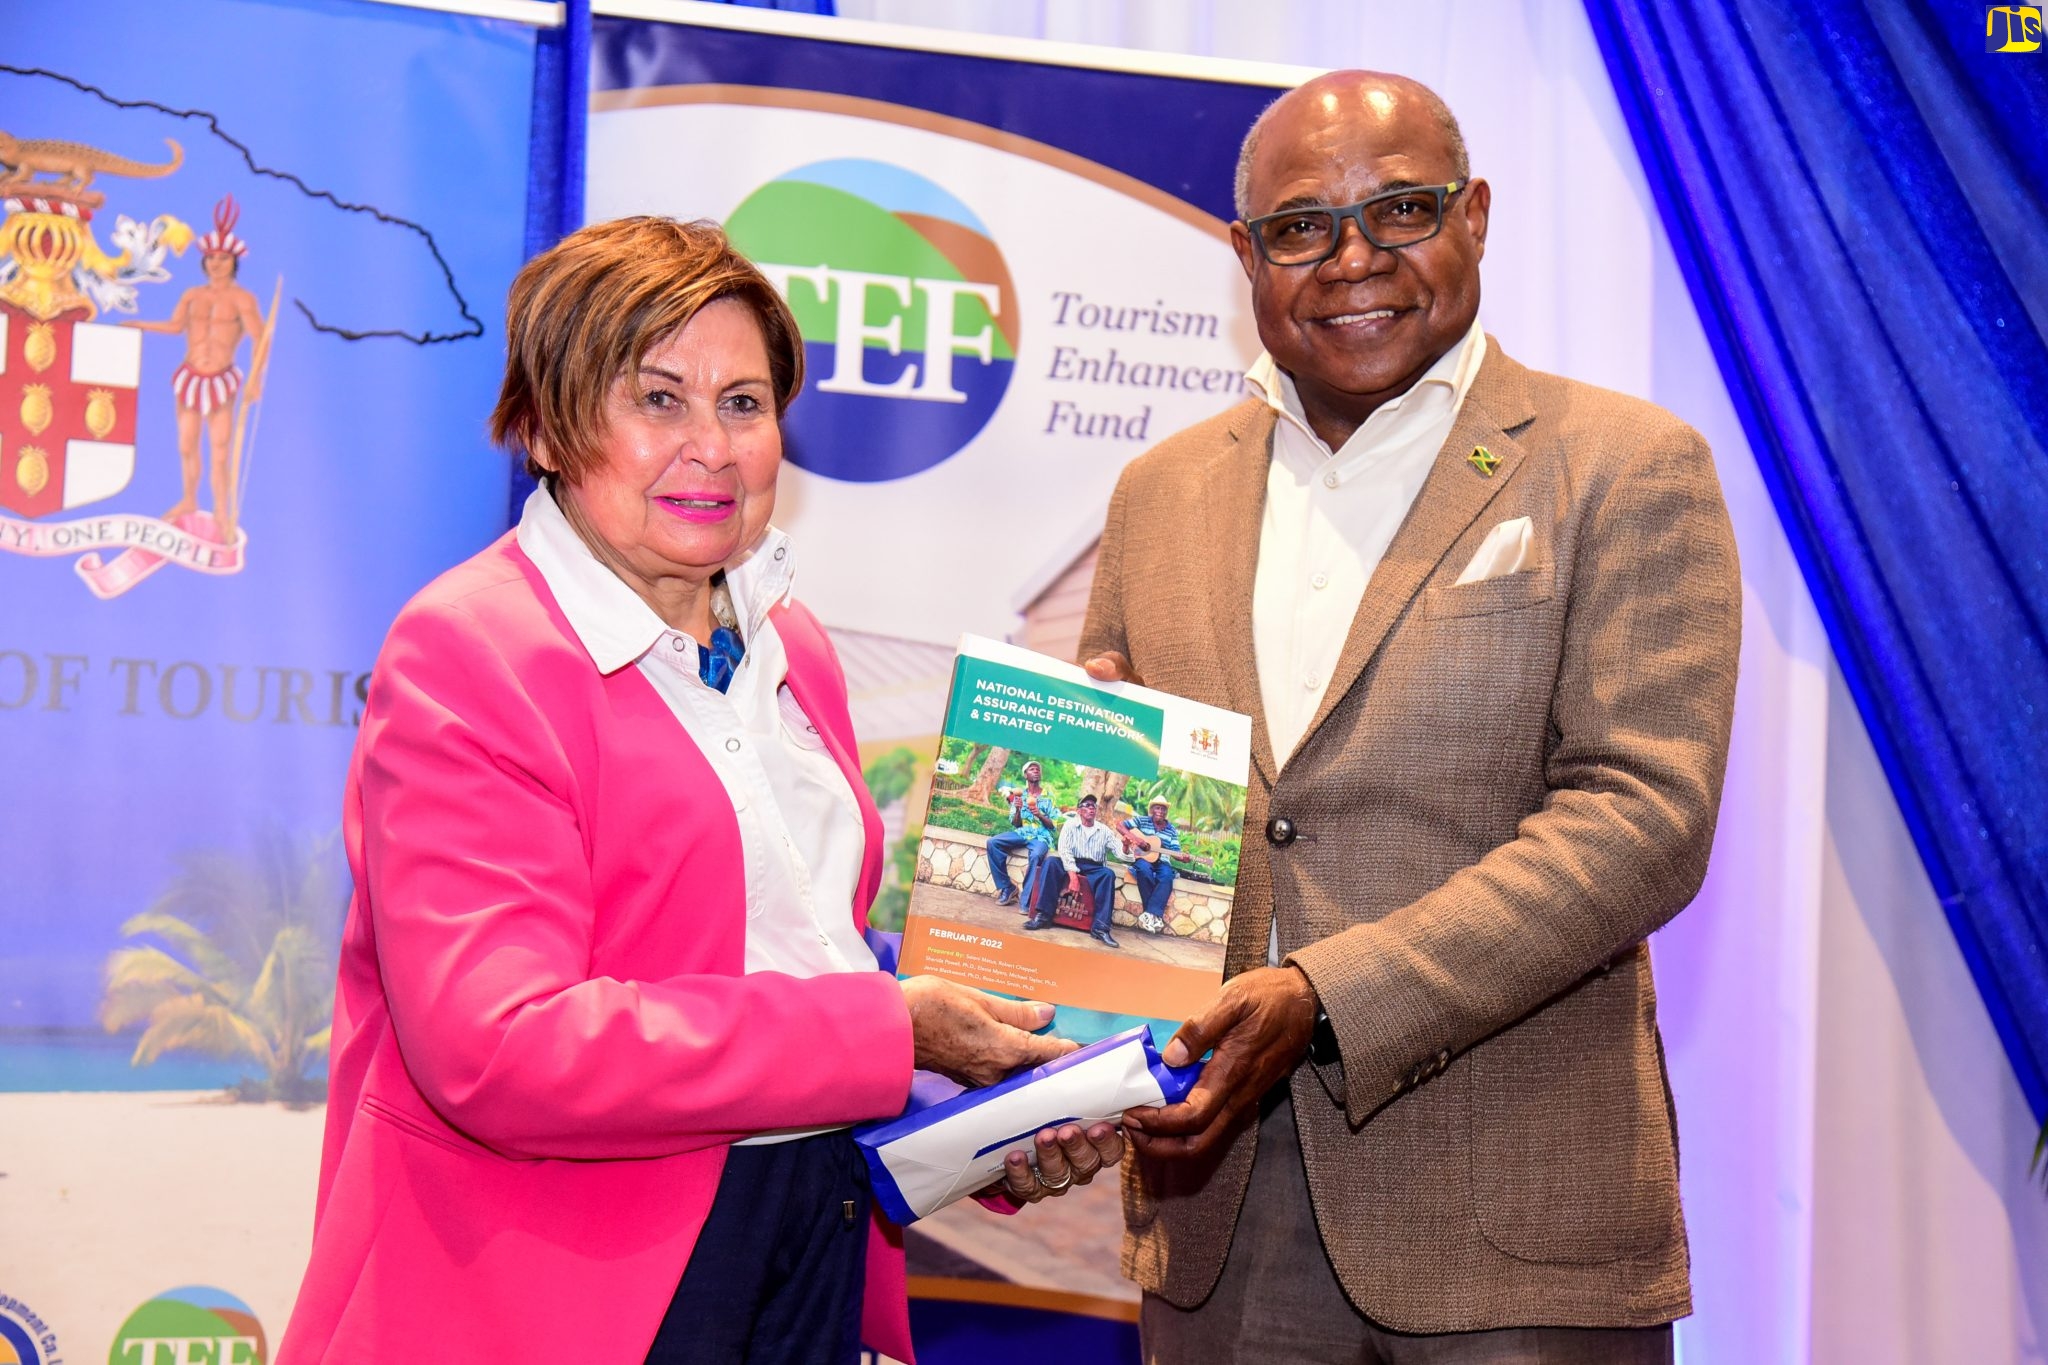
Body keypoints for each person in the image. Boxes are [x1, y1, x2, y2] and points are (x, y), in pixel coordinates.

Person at [278, 218, 1122, 1365]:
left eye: (743, 403)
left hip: (804, 1252)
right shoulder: (469, 652)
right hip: (561, 1297)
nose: (712, 448)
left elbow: (806, 956)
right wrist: (889, 1029)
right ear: (541, 426)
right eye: (657, 399)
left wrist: (998, 1099)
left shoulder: (794, 643)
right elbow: (501, 1048)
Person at [1081, 72, 1740, 1364]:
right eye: (1301, 227)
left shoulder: (1622, 463)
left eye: (1401, 210)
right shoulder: (1158, 493)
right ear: (1246, 255)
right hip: (1223, 1229)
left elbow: (1642, 819)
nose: (1352, 261)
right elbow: (1121, 803)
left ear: (1477, 217)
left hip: (1516, 1237)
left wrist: (1327, 996)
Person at [124, 195, 263, 543]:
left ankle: (220, 510)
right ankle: (188, 498)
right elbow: (175, 327)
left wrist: (255, 381)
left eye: (223, 258)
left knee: (219, 451)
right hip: (190, 377)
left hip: (221, 380)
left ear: (234, 262)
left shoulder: (243, 299)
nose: (216, 264)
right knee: (187, 444)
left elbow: (260, 340)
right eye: (211, 258)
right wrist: (141, 325)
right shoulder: (192, 295)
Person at [1026, 792, 1124, 948]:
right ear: (1079, 811)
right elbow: (1064, 851)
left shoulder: (1104, 830)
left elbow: (1121, 853)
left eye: (1093, 806)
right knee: (1051, 862)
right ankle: (1043, 916)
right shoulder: (1070, 825)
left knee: (1108, 875)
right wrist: (1073, 877)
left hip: (1094, 866)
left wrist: (1126, 847)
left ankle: (1100, 928)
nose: (1091, 808)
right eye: (1087, 805)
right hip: (1072, 861)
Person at [987, 759, 1058, 909]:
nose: (1036, 771)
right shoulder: (1019, 795)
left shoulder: (1049, 797)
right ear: (1025, 775)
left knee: (1036, 855)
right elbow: (1016, 823)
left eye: (1038, 769)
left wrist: (1039, 815)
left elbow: (1053, 825)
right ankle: (1007, 887)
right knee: (993, 843)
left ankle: (1026, 902)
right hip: (1022, 832)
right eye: (1032, 769)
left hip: (1041, 836)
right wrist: (1018, 809)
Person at [1122, 796, 1185, 934]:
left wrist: (1183, 858)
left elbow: (1176, 851)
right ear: (1152, 809)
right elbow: (1120, 826)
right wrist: (1136, 839)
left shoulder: (1171, 830)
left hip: (1163, 861)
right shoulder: (1142, 820)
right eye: (1157, 807)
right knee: (1144, 870)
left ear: (1166, 812)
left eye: (1163, 808)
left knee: (1167, 876)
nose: (1160, 811)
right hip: (1144, 858)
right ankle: (1154, 914)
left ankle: (1148, 914)